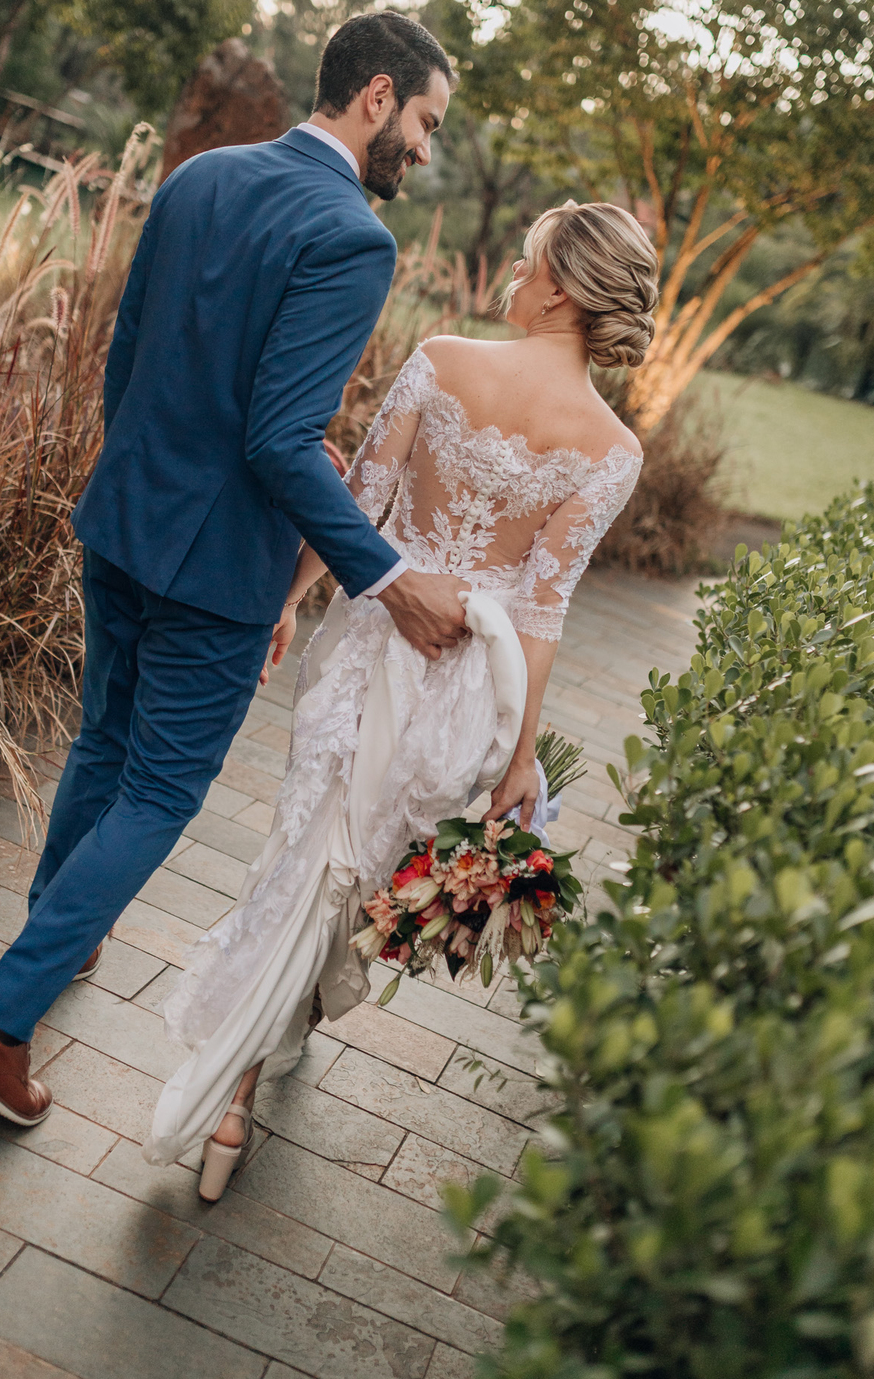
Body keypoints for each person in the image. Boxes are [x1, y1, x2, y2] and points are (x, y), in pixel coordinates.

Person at [0, 11, 470, 1126]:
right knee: (162, 790)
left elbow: (128, 354)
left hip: (126, 518)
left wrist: (139, 482)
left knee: (103, 744)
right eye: (423, 122)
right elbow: (279, 437)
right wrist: (388, 575)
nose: (423, 148)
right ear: (376, 96)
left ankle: (53, 940)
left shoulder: (202, 177)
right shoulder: (355, 238)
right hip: (216, 565)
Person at [145, 198, 658, 1200]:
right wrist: (520, 759)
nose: (514, 267)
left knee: (310, 853)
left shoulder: (442, 357)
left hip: (373, 650)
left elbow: (358, 507)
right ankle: (265, 1048)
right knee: (360, 873)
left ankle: (238, 1087)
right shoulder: (612, 451)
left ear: (559, 285)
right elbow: (543, 611)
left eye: (527, 255)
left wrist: (286, 605)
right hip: (473, 690)